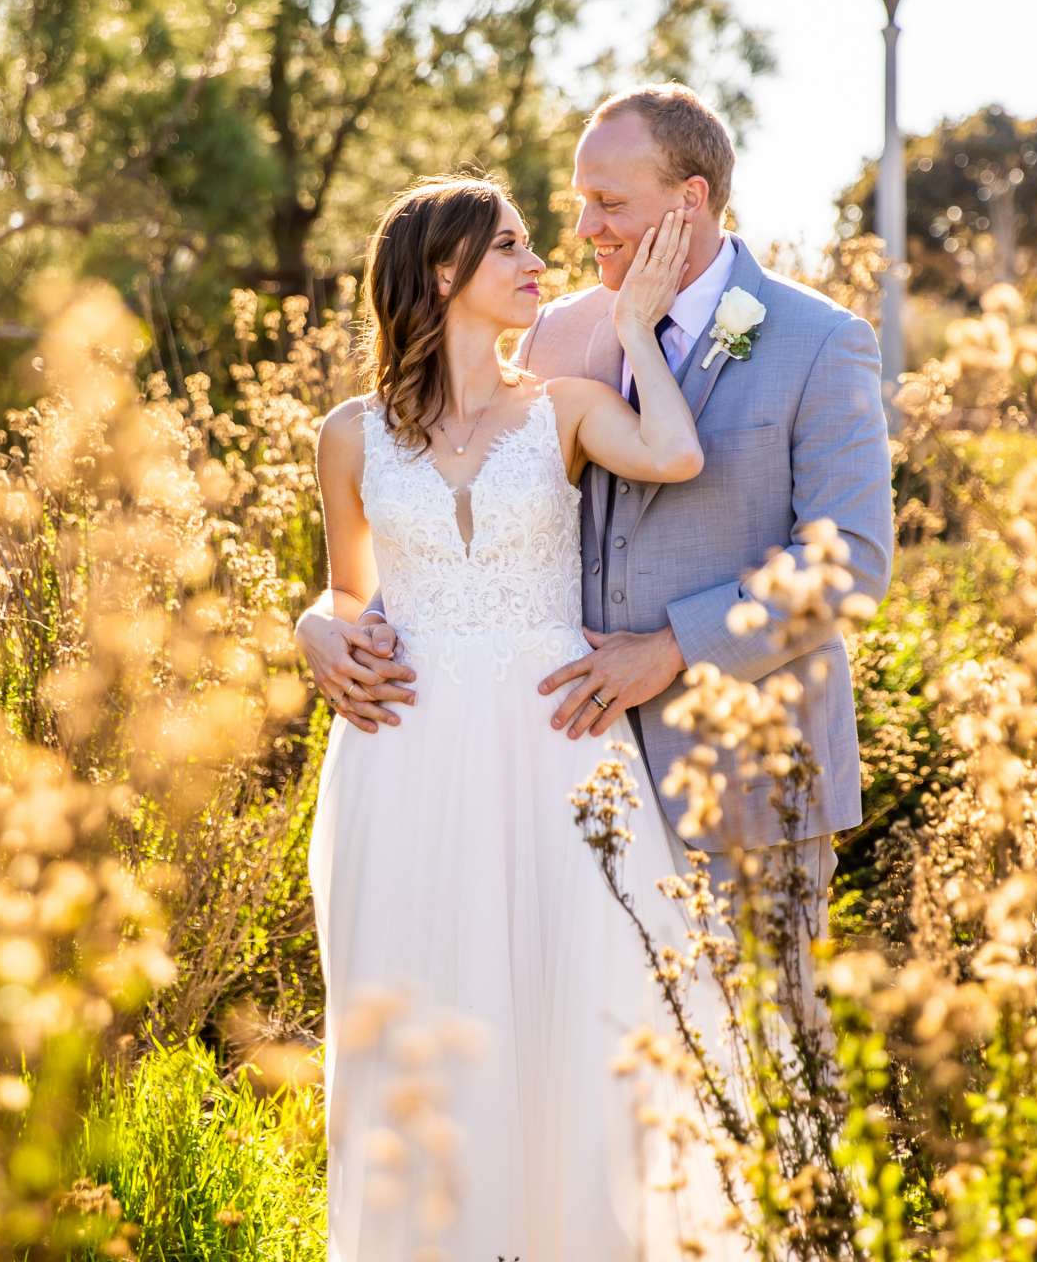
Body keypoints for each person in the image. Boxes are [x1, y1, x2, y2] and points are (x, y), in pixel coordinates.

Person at [303, 83, 895, 1022]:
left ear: (689, 200)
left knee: (764, 1081)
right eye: (579, 202)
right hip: (555, 778)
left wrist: (666, 650)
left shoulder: (820, 343)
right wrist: (327, 626)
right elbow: (472, 537)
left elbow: (850, 564)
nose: (584, 229)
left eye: (608, 204)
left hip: (738, 782)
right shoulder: (552, 330)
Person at [300, 174, 739, 1259]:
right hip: (403, 754)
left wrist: (634, 327)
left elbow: (678, 454)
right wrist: (315, 624)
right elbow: (349, 590)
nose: (537, 259)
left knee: (580, 1012)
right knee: (421, 1019)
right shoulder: (348, 435)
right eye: (508, 246)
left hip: (553, 748)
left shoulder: (567, 408)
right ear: (443, 273)